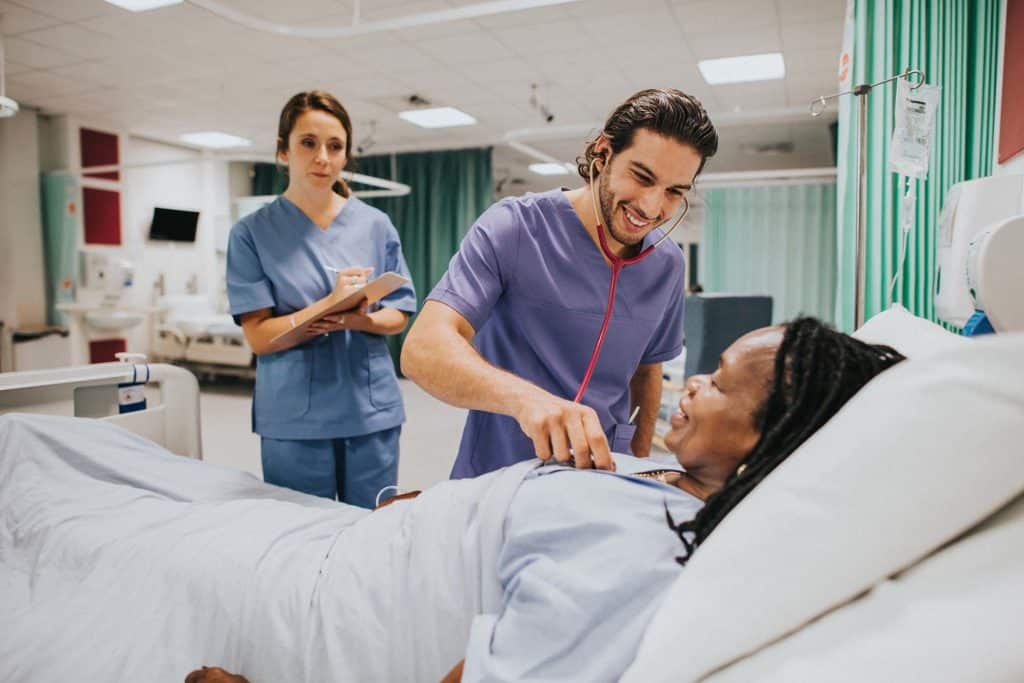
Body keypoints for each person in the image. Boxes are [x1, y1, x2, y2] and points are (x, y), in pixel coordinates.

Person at [183, 318, 905, 682]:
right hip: (356, 541)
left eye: (715, 382)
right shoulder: (660, 475)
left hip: (323, 599)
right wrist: (437, 504)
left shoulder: (648, 557)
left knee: (151, 525)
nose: (692, 384)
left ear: (768, 436)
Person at [401, 88, 719, 478]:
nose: (652, 207)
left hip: (601, 474)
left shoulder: (666, 264)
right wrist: (526, 400)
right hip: (500, 469)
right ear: (603, 154)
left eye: (674, 192)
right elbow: (422, 350)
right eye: (642, 177)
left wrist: (639, 467)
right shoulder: (515, 228)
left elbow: (647, 369)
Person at [226, 90, 417, 508]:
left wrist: (358, 319)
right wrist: (326, 308)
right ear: (283, 151)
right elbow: (258, 337)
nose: (323, 158)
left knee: (373, 529)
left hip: (370, 411)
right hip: (294, 417)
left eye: (335, 146)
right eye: (308, 144)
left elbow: (399, 313)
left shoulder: (375, 225)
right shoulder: (251, 234)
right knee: (300, 537)